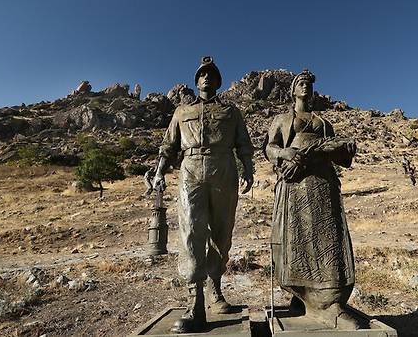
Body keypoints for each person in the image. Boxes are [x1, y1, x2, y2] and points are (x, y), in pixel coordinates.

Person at [152, 57, 254, 333]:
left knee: (222, 232)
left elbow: (244, 143)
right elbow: (168, 145)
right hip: (191, 169)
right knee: (191, 233)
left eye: (211, 74)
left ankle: (215, 291)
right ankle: (195, 304)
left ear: (218, 81)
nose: (206, 77)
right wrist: (159, 171)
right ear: (196, 81)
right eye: (202, 74)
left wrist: (248, 169)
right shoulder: (181, 112)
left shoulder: (231, 112)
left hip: (224, 169)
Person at [265, 70, 360, 329]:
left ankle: (328, 300)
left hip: (322, 182)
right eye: (301, 83)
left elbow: (334, 150)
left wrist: (345, 149)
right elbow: (269, 148)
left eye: (309, 84)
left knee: (326, 236)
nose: (306, 87)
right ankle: (304, 294)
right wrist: (287, 152)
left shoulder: (323, 122)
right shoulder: (283, 119)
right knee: (297, 237)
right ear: (293, 90)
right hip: (295, 182)